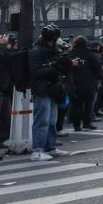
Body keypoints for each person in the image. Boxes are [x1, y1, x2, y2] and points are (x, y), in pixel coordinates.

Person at [29, 25, 73, 161]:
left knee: (51, 120)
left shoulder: (50, 51)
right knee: (42, 120)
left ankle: (50, 147)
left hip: (52, 89)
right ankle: (37, 150)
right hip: (42, 89)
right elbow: (36, 72)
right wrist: (54, 65)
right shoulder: (37, 51)